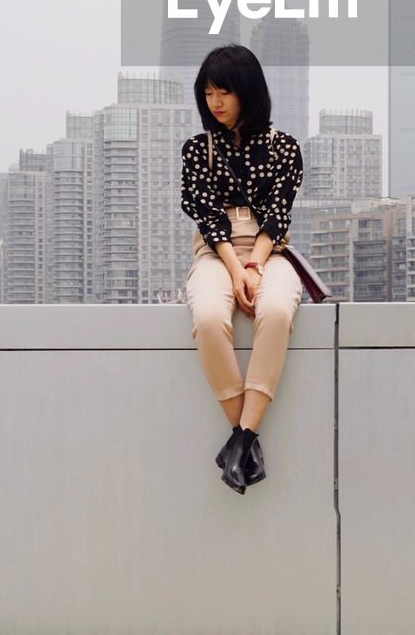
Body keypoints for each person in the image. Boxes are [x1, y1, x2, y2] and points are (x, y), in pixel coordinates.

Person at [181, 44, 305, 495]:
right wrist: (237, 269)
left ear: (247, 93)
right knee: (210, 318)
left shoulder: (283, 147)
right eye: (209, 92)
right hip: (216, 253)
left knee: (276, 311)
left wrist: (257, 263)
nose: (215, 102)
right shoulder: (198, 150)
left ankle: (241, 440)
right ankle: (244, 439)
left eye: (224, 92)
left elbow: (278, 213)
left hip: (270, 250)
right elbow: (206, 216)